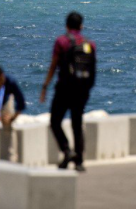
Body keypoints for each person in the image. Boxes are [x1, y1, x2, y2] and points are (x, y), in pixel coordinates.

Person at [40, 11, 96, 171]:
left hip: (64, 89)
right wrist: (87, 89)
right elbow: (93, 70)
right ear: (81, 26)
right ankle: (78, 161)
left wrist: (45, 86)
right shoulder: (89, 44)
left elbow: (54, 65)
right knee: (77, 124)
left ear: (66, 25)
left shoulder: (62, 41)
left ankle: (66, 150)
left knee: (55, 122)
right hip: (82, 90)